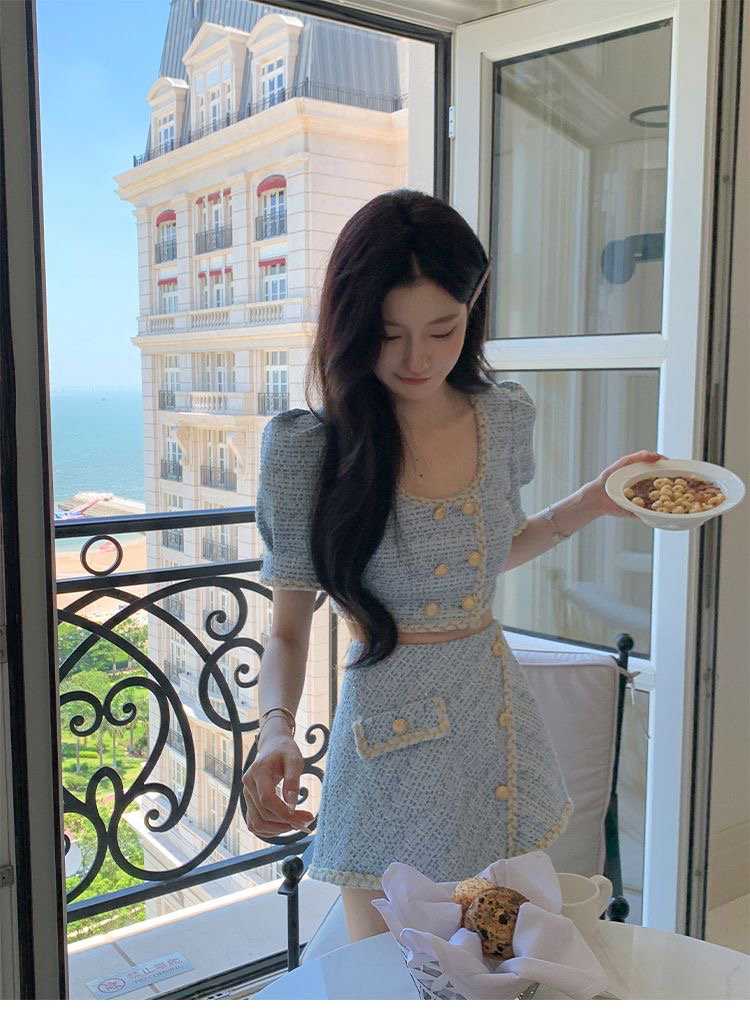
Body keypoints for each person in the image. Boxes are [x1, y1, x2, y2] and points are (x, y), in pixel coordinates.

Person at [241, 189, 664, 942]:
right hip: (385, 734)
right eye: (389, 333)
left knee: (502, 948)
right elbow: (288, 632)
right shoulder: (312, 447)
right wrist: (276, 728)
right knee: (388, 964)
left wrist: (593, 501)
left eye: (443, 328)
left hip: (489, 716)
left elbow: (492, 555)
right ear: (351, 324)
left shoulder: (503, 416)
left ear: (474, 307)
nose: (418, 358)